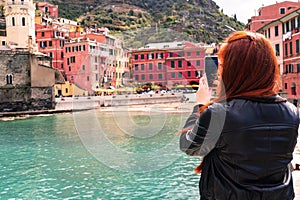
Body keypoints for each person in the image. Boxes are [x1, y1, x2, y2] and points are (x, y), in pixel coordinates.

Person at [179, 31, 299, 200]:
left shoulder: (219, 114)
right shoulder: (292, 113)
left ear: (234, 69)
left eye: (221, 64)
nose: (219, 70)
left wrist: (200, 105)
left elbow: (188, 146)